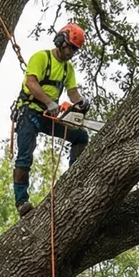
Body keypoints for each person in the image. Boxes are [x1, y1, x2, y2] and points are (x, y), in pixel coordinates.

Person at [11, 23, 89, 217]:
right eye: (70, 47)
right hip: (29, 111)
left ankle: (73, 180)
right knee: (25, 155)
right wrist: (48, 101)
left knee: (80, 136)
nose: (71, 53)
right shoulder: (41, 58)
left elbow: (72, 92)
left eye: (75, 50)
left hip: (49, 114)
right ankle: (21, 201)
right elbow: (31, 83)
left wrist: (80, 102)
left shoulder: (68, 69)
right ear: (61, 41)